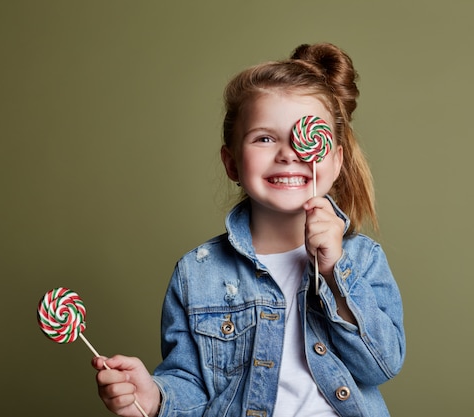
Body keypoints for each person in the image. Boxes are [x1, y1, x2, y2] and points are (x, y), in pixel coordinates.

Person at [92, 42, 405, 417]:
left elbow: (382, 365)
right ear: (232, 163)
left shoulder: (362, 260)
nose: (289, 153)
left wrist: (335, 273)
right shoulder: (198, 274)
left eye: (302, 136)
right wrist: (156, 398)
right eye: (264, 138)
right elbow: (192, 383)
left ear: (335, 161)